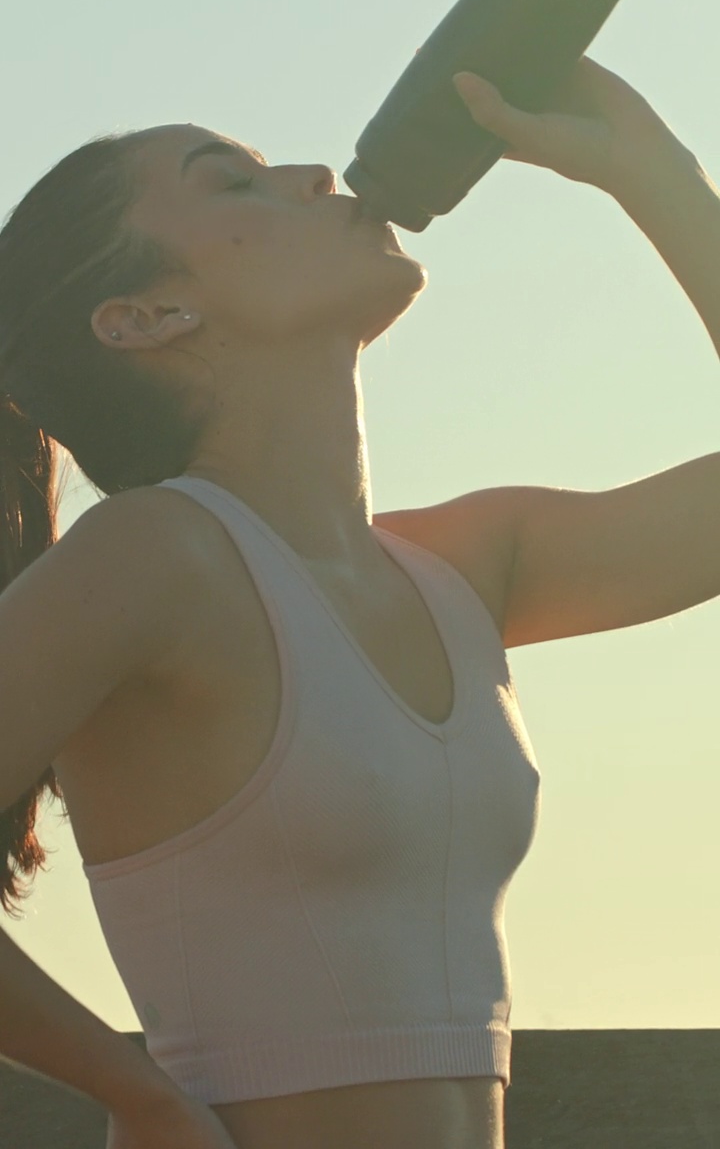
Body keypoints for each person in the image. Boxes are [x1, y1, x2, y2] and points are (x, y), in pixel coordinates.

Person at [0, 56, 718, 1149]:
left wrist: (649, 168)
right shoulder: (156, 556)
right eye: (231, 182)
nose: (311, 172)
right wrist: (136, 1091)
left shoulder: (466, 568)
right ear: (144, 315)